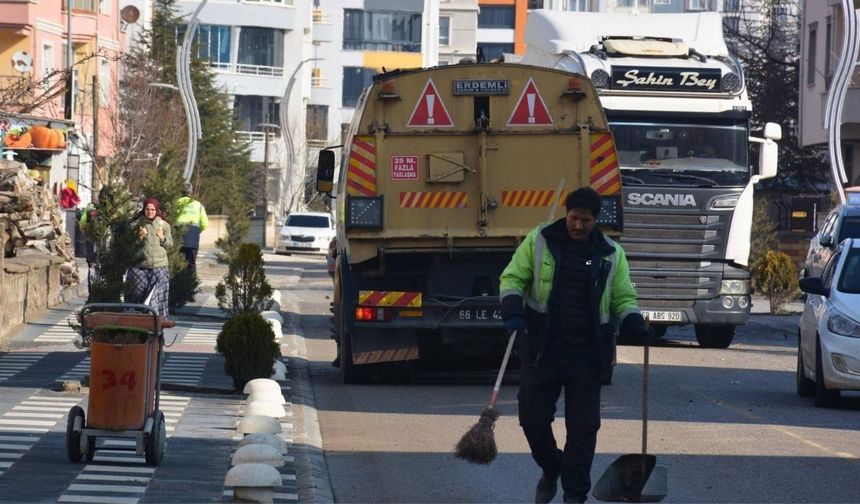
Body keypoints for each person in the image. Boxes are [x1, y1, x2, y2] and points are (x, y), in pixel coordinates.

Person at [498, 187, 653, 504]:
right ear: (565, 213)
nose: (578, 225)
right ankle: (552, 467)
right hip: (543, 348)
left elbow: (624, 298)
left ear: (596, 220)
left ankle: (574, 495)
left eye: (586, 220)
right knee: (532, 420)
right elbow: (512, 278)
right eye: (574, 218)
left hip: (587, 353)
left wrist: (634, 322)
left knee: (583, 430)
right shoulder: (540, 240)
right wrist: (513, 310)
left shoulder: (611, 254)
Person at [125, 197, 173, 318]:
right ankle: (138, 323)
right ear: (143, 209)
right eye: (147, 209)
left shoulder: (164, 225)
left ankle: (156, 326)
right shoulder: (135, 225)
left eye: (152, 209)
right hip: (139, 267)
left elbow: (170, 245)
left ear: (156, 210)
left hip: (159, 267)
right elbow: (128, 246)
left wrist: (162, 237)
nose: (150, 212)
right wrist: (139, 238)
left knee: (155, 300)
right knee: (138, 298)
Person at [175, 181, 208, 275]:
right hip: (193, 239)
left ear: (181, 191)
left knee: (177, 264)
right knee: (191, 264)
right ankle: (190, 285)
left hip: (178, 238)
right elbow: (205, 223)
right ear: (191, 192)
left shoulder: (176, 203)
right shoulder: (198, 205)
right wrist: (196, 231)